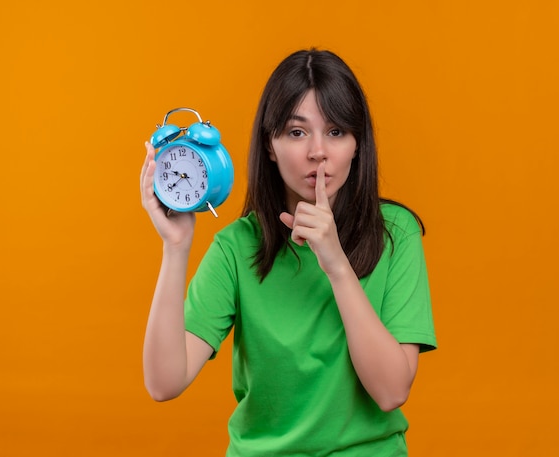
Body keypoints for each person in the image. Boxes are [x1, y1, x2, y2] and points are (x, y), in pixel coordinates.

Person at [140, 49, 436, 456]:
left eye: (336, 132)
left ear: (357, 145)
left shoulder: (395, 233)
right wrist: (175, 248)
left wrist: (336, 265)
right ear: (271, 145)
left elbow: (390, 392)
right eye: (297, 133)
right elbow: (163, 383)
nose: (318, 151)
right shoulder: (237, 247)